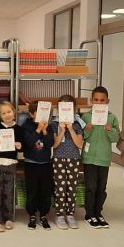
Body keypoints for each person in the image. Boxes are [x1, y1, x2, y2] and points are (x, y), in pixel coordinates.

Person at [80, 86, 120, 228]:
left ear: (108, 101)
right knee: (91, 187)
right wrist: (87, 130)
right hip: (89, 157)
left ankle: (98, 213)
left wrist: (110, 130)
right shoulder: (86, 117)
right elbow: (81, 137)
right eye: (96, 100)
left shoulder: (112, 117)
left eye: (102, 100)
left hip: (104, 158)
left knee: (101, 188)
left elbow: (116, 138)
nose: (99, 102)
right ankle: (89, 214)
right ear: (91, 101)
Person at [0, 101, 23, 232]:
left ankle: (8, 218)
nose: (7, 115)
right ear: (0, 115)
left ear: (14, 112)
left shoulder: (19, 129)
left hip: (11, 163)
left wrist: (20, 146)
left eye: (9, 112)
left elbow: (22, 147)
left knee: (8, 192)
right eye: (3, 113)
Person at [52, 94, 85, 229]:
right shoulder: (55, 124)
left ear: (74, 109)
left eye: (68, 107)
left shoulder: (77, 124)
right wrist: (62, 130)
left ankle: (70, 213)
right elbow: (55, 144)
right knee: (60, 187)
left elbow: (79, 144)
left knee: (72, 187)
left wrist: (71, 129)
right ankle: (60, 214)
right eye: (63, 107)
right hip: (58, 158)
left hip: (74, 158)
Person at [21, 100, 55, 230]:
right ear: (31, 113)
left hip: (46, 163)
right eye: (38, 112)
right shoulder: (26, 125)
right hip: (31, 164)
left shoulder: (49, 126)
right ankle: (32, 214)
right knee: (32, 191)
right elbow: (29, 142)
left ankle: (44, 214)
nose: (42, 115)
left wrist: (45, 131)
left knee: (45, 191)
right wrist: (38, 129)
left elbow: (50, 143)